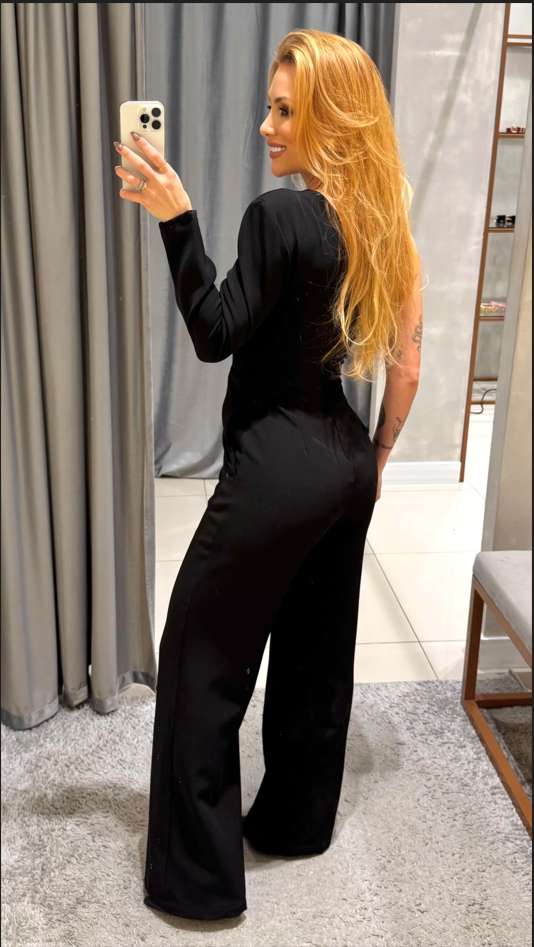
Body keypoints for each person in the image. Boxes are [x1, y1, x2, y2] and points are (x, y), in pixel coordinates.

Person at [114, 28, 424, 922]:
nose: (265, 126)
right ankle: (295, 822)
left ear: (330, 117)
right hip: (345, 461)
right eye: (269, 107)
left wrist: (177, 220)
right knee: (317, 658)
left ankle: (198, 881)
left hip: (275, 467)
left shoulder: (278, 216)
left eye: (285, 110)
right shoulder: (385, 228)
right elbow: (407, 367)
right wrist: (376, 460)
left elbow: (215, 332)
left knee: (198, 656)